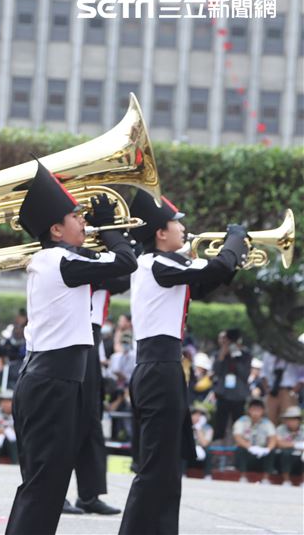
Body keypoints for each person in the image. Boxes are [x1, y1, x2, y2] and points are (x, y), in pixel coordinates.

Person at [5, 162, 137, 535]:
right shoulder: (62, 260)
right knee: (45, 482)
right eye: (75, 216)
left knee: (46, 481)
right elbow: (125, 261)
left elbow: (122, 272)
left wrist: (116, 237)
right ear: (56, 229)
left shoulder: (63, 260)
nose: (83, 222)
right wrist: (112, 229)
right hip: (53, 380)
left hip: (55, 378)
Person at [119, 190, 249, 535]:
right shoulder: (160, 263)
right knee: (155, 467)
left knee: (167, 466)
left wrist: (235, 257)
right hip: (159, 369)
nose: (184, 229)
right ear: (161, 233)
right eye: (177, 223)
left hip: (163, 368)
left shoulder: (161, 266)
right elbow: (217, 266)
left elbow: (209, 282)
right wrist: (234, 240)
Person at [64, 276, 130, 516]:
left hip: (92, 336)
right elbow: (122, 276)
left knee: (91, 421)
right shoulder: (86, 259)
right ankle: (54, 493)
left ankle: (89, 495)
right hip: (74, 334)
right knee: (67, 421)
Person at [212, 328, 252, 441]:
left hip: (239, 394)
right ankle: (217, 450)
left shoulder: (245, 355)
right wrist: (222, 354)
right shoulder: (220, 353)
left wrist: (236, 356)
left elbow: (245, 374)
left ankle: (238, 445)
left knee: (238, 424)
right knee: (220, 424)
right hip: (223, 394)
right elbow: (216, 371)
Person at [233, 399, 277, 483]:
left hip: (261, 454)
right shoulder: (242, 421)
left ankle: (265, 478)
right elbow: (237, 437)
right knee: (240, 449)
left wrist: (267, 449)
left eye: (258, 410)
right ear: (249, 410)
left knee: (272, 451)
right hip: (247, 451)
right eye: (253, 409)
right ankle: (243, 477)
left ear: (263, 411)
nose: (256, 412)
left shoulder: (267, 423)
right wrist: (249, 447)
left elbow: (273, 438)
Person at [260, 353, 303, 425]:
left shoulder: (296, 352)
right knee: (270, 420)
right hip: (272, 391)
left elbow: (302, 376)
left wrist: (293, 392)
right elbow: (263, 373)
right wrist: (267, 390)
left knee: (289, 420)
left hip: (288, 391)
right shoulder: (268, 353)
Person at [275, 406, 304, 485]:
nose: (291, 421)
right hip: (283, 460)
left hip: (299, 460)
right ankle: (286, 480)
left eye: (294, 419)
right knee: (286, 453)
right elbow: (279, 443)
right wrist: (296, 445)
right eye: (289, 419)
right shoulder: (280, 429)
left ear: (299, 420)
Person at [0, 391, 18, 464]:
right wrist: (6, 431)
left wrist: (11, 432)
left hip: (14, 439)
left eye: (8, 401)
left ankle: (16, 462)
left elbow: (20, 429)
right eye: (3, 401)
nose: (6, 404)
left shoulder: (18, 411)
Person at [188, 404, 214, 476]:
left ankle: (208, 475)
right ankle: (182, 474)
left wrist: (198, 428)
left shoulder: (208, 428)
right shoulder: (185, 426)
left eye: (200, 415)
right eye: (195, 415)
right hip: (188, 454)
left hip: (201, 456)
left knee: (208, 450)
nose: (197, 417)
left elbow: (204, 443)